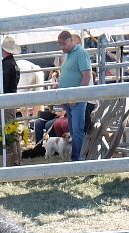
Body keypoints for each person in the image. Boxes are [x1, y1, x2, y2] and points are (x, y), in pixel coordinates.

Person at [56, 30, 93, 162]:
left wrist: (77, 96)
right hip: (70, 99)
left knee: (77, 131)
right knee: (74, 130)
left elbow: (87, 75)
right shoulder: (69, 55)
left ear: (71, 40)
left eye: (63, 44)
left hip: (77, 99)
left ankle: (79, 159)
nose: (62, 47)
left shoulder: (81, 53)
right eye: (60, 44)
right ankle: (76, 158)